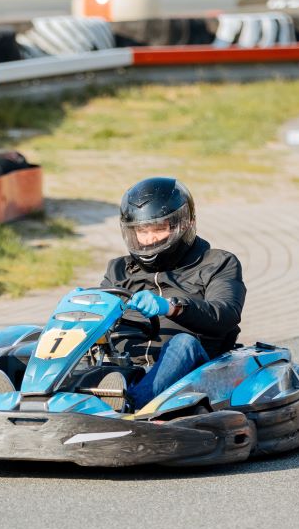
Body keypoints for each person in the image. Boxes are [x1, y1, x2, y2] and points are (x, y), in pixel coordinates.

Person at [98, 176, 246, 411]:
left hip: (193, 369)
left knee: (183, 343)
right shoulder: (119, 270)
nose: (149, 239)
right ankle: (39, 397)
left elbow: (225, 314)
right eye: (141, 231)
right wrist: (84, 306)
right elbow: (100, 314)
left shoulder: (217, 263)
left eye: (158, 229)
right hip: (128, 366)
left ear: (183, 224)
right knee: (30, 337)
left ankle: (130, 406)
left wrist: (172, 306)